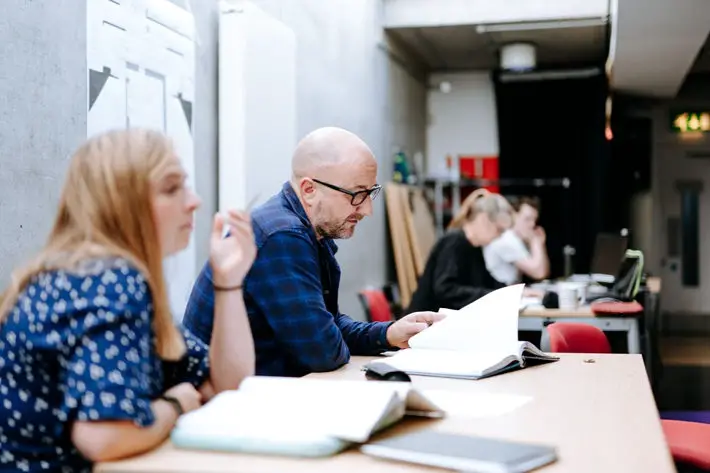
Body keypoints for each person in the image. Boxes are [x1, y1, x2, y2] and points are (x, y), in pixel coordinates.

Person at [0, 129, 256, 472]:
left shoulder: (87, 274)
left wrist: (229, 283)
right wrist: (175, 405)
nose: (193, 201)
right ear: (123, 204)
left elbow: (226, 385)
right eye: (171, 189)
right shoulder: (110, 281)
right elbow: (104, 436)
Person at [183, 127, 443, 378]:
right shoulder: (283, 236)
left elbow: (326, 325)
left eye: (370, 193)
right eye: (357, 195)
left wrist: (388, 333)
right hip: (228, 405)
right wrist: (337, 338)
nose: (366, 210)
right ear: (309, 190)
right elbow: (322, 351)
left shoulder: (307, 232)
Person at [406, 189, 515, 313]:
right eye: (499, 230)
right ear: (484, 219)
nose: (499, 236)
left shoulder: (474, 247)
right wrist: (492, 295)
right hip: (425, 324)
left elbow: (485, 281)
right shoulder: (454, 242)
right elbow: (445, 289)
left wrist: (510, 292)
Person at [483, 196, 549, 285]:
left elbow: (543, 272)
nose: (532, 225)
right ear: (514, 216)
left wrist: (539, 243)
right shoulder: (506, 239)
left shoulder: (516, 239)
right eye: (527, 219)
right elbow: (539, 273)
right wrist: (536, 241)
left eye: (535, 220)